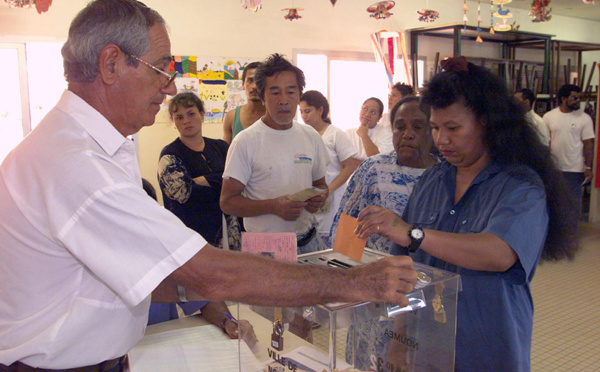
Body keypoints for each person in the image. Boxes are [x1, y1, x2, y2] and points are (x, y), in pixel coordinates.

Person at [0, 1, 418, 370]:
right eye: (161, 67)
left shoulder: (94, 147)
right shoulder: (78, 165)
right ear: (111, 64)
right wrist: (355, 283)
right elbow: (211, 271)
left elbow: (136, 273)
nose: (170, 86)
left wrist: (203, 292)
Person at [355, 56, 579, 371]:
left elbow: (498, 253)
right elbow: (405, 271)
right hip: (427, 346)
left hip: (486, 348)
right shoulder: (432, 180)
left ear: (486, 122)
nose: (441, 139)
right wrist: (398, 340)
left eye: (453, 128)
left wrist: (413, 233)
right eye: (434, 127)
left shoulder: (519, 186)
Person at [221, 54, 330, 254]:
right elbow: (227, 202)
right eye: (275, 93)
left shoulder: (310, 136)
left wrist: (320, 199)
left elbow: (321, 185)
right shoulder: (246, 141)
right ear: (262, 96)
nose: (284, 101)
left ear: (299, 96)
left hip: (307, 241)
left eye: (291, 92)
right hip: (264, 247)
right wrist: (273, 206)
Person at [142, 178, 254, 343]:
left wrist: (228, 322)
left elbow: (205, 300)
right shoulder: (97, 262)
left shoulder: (164, 250)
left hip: (163, 345)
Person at [330, 96, 435, 254]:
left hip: (431, 272)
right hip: (377, 271)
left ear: (434, 131)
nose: (407, 134)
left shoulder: (445, 174)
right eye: (399, 127)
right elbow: (346, 221)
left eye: (418, 127)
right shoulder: (373, 169)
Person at [158, 92, 229, 247]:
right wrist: (221, 183)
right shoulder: (170, 155)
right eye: (179, 117)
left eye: (191, 114)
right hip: (191, 236)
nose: (186, 121)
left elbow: (239, 181)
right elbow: (185, 197)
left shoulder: (221, 147)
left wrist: (205, 180)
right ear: (174, 122)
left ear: (202, 115)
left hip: (229, 230)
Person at [299, 90, 361, 247]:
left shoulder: (335, 134)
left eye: (307, 111)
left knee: (335, 246)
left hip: (334, 199)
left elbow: (351, 165)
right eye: (301, 112)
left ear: (320, 110)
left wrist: (329, 190)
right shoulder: (302, 135)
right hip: (311, 200)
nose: (304, 116)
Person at [543, 84, 595, 218]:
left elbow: (588, 144)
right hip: (554, 167)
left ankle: (571, 233)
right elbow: (545, 142)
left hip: (574, 168)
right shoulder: (549, 117)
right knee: (553, 201)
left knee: (572, 202)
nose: (578, 100)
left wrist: (588, 166)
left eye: (579, 98)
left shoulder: (584, 118)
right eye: (574, 97)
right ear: (564, 99)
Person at [222, 61, 265, 144]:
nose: (254, 86)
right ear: (243, 84)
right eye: (250, 80)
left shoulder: (274, 116)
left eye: (259, 81)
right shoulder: (231, 117)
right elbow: (226, 153)